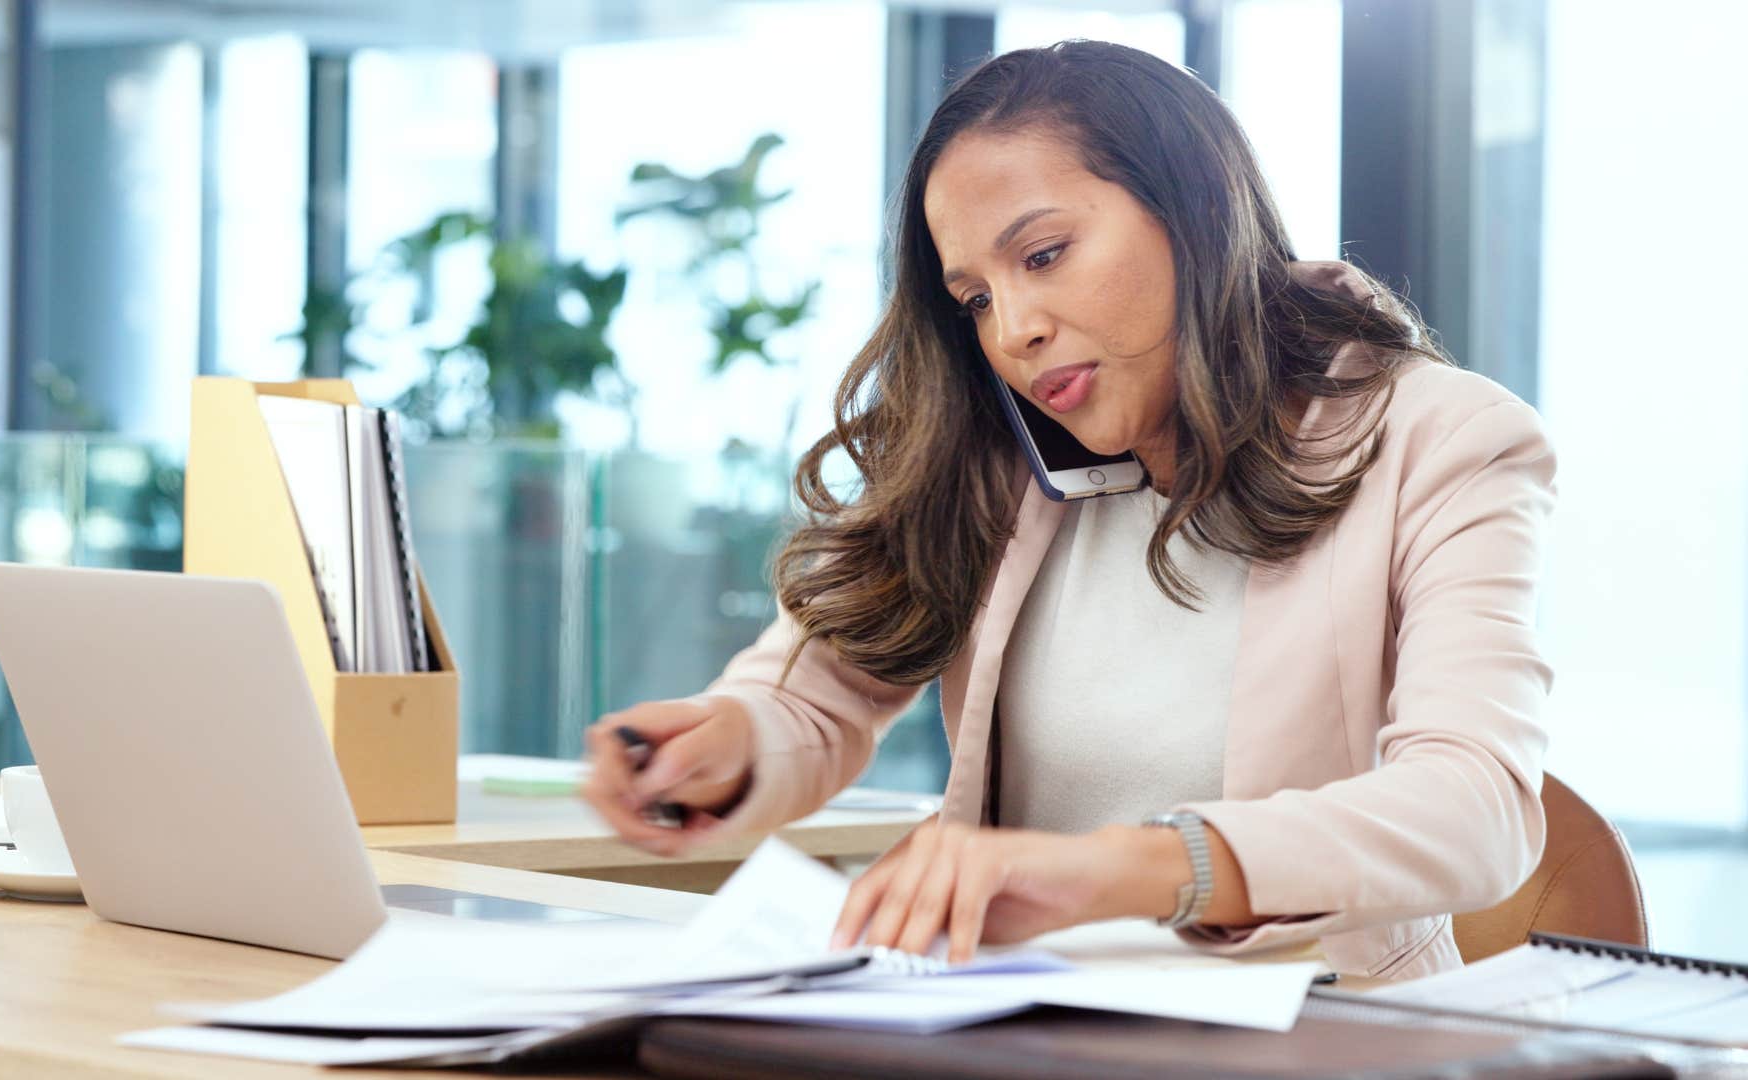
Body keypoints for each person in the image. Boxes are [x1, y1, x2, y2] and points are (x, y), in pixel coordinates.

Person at [581, 40, 1554, 981]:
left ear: (1194, 212)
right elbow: (814, 690)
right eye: (973, 298)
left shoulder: (1445, 438)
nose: (1013, 330)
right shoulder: (995, 443)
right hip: (1014, 1020)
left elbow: (1476, 809)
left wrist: (1121, 872)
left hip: (1321, 1029)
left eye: (1043, 254)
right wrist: (727, 741)